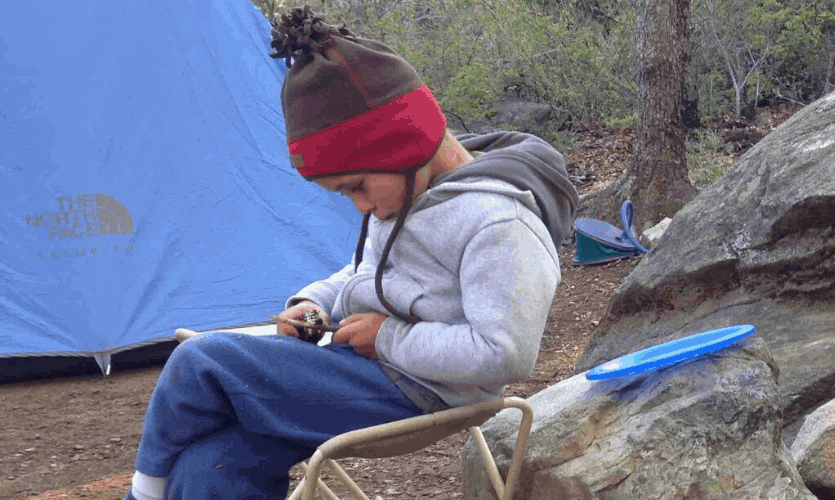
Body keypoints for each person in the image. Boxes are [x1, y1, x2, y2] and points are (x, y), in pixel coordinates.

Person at [121, 7, 578, 499]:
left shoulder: (498, 220)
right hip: (371, 374)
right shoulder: (409, 194)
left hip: (419, 391)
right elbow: (365, 274)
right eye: (345, 194)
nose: (362, 207)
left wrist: (388, 337)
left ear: (405, 144)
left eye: (357, 186)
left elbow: (504, 353)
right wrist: (314, 302)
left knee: (199, 361)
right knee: (213, 464)